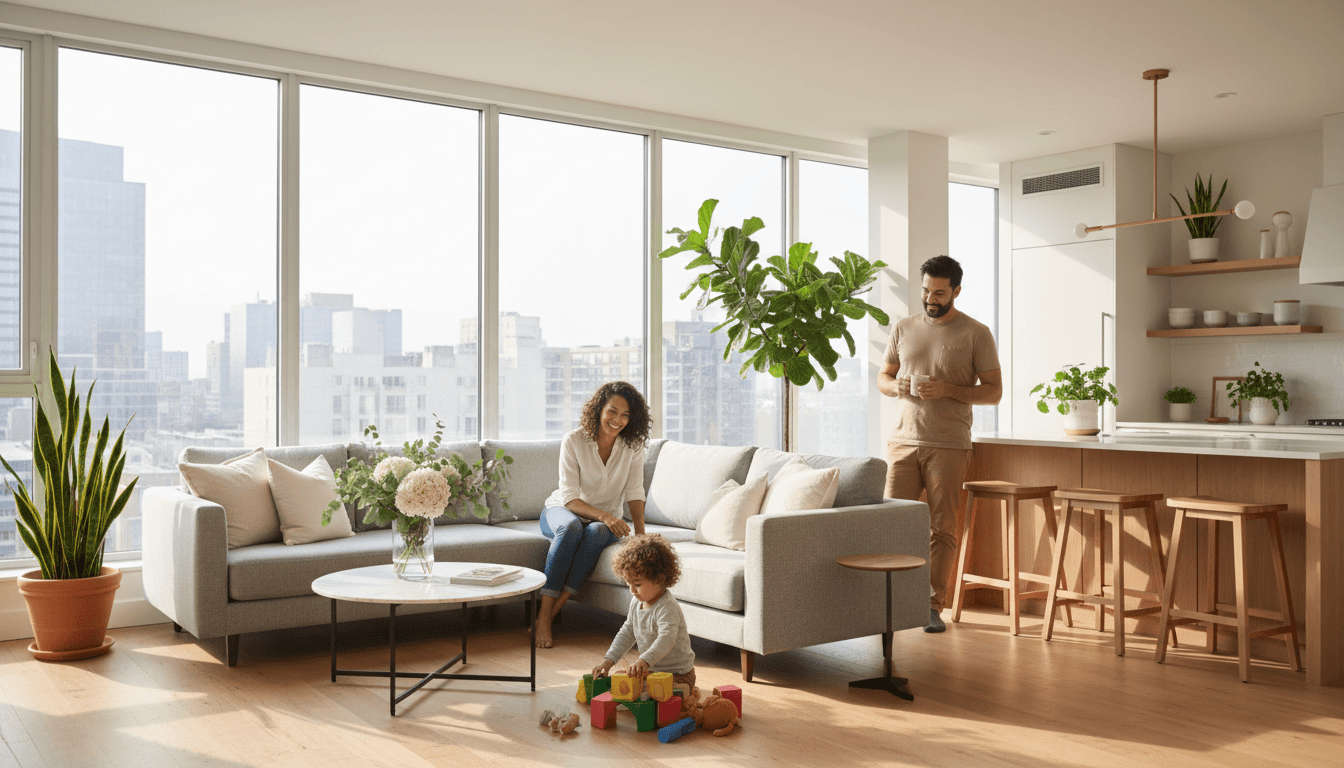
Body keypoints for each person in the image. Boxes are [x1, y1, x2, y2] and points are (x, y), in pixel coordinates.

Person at [878, 255, 1002, 633]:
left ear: (956, 292)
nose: (931, 299)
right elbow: (884, 377)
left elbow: (994, 392)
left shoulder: (975, 333)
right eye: (926, 291)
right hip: (902, 440)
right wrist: (896, 385)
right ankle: (889, 603)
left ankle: (932, 605)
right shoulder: (903, 328)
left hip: (948, 444)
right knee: (889, 523)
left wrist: (948, 389)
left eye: (940, 293)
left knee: (942, 527)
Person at [535, 380, 651, 648]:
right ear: (599, 408)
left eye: (625, 415)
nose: (617, 420)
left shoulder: (633, 447)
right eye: (612, 411)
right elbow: (570, 498)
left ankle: (554, 610)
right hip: (561, 511)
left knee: (598, 532)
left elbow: (635, 491)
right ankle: (543, 614)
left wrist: (641, 536)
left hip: (601, 521)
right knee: (572, 529)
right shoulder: (574, 440)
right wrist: (607, 516)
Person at [591, 534, 697, 692]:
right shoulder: (637, 601)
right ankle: (663, 691)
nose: (632, 590)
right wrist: (609, 660)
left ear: (659, 579)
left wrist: (644, 660)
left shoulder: (667, 607)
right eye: (629, 584)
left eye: (638, 584)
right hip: (652, 670)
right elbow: (627, 632)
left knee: (648, 690)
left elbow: (666, 639)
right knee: (622, 681)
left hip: (678, 673)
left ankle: (682, 689)